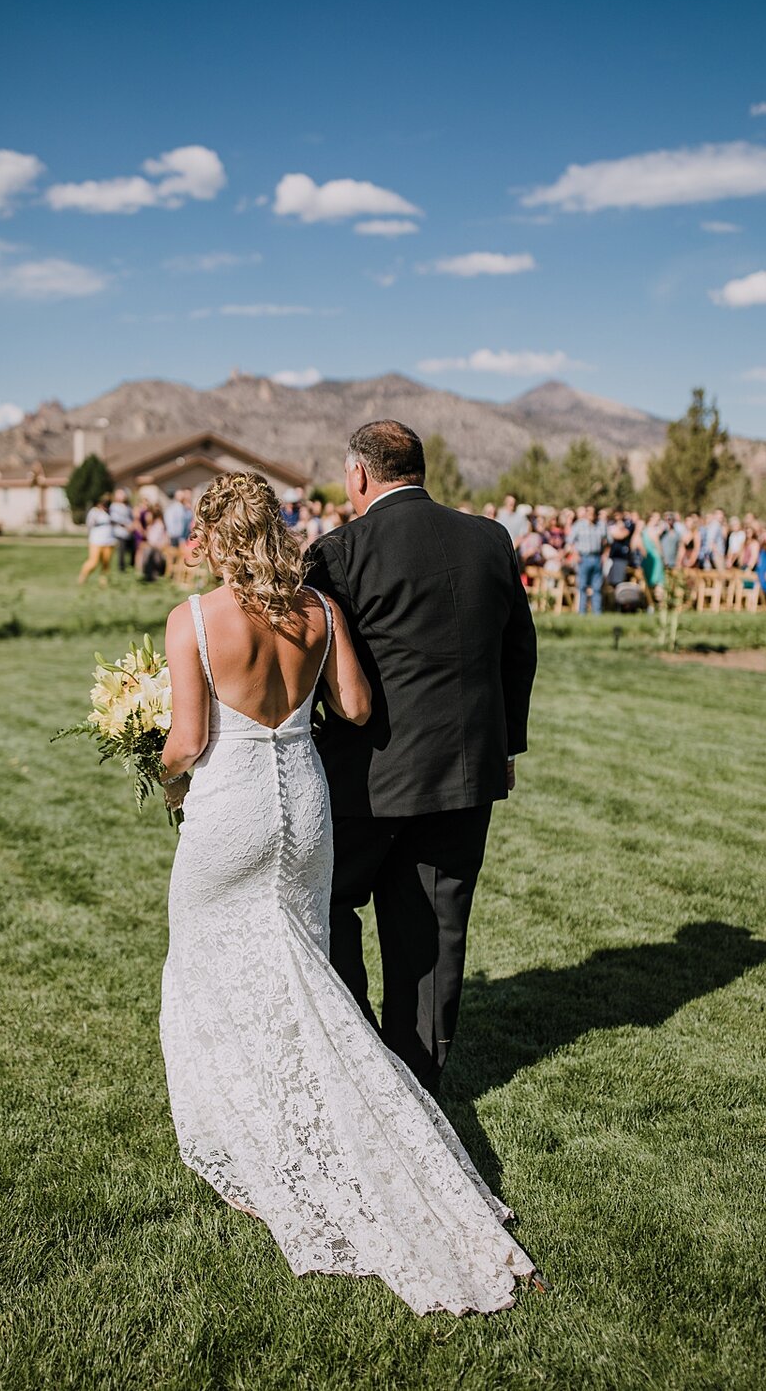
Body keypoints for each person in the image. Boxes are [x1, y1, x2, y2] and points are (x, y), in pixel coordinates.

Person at [158, 469, 545, 1315]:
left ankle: (258, 1129)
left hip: (230, 812)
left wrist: (156, 765)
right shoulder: (319, 615)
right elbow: (360, 707)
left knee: (209, 968)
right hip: (305, 807)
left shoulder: (192, 620)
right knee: (303, 969)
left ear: (217, 538)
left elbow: (188, 741)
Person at [306, 421, 538, 1098]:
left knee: (327, 906)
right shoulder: (490, 538)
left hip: (367, 781)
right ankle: (418, 1078)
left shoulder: (340, 551)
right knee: (434, 928)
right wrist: (506, 748)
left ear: (358, 475)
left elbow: (320, 667)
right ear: (419, 468)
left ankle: (355, 1055)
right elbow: (518, 651)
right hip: (467, 773)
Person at [568, 505, 608, 614]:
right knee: (582, 586)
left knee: (597, 587)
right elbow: (570, 541)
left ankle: (597, 612)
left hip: (596, 557)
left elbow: (607, 541)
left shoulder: (600, 525)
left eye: (593, 513)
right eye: (589, 513)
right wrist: (575, 554)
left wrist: (604, 555)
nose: (591, 515)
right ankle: (582, 612)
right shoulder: (579, 525)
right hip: (584, 558)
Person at [77, 494, 116, 586]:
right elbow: (90, 524)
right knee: (93, 562)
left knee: (106, 564)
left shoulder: (112, 512)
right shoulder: (95, 512)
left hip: (109, 541)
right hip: (96, 541)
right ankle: (83, 577)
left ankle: (103, 583)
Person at [109, 487, 135, 572]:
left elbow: (131, 517)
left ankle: (132, 565)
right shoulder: (114, 506)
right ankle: (122, 568)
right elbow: (115, 519)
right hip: (120, 532)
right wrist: (126, 525)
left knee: (132, 549)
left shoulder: (128, 506)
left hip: (129, 532)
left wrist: (132, 526)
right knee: (122, 551)